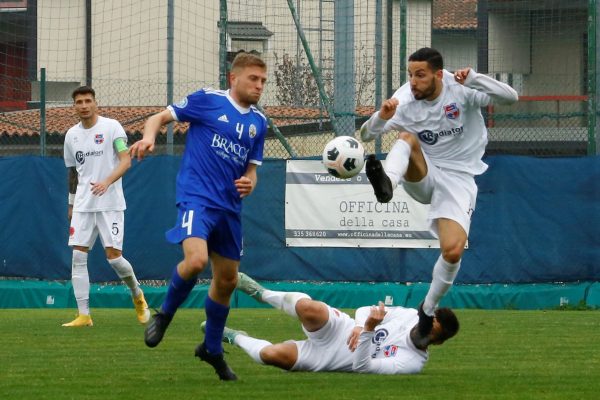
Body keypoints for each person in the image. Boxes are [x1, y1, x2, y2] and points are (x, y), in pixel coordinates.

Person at [360, 47, 518, 345]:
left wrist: (476, 79)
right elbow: (367, 134)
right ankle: (388, 183)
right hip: (424, 172)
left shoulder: (461, 89)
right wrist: (381, 117)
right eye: (410, 75)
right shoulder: (405, 99)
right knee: (407, 137)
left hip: (459, 178)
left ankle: (426, 311)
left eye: (420, 75)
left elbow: (511, 97)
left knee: (453, 251)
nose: (413, 81)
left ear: (438, 74)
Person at [128, 52, 268, 381]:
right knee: (195, 261)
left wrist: (251, 182)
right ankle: (164, 316)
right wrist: (149, 138)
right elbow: (159, 118)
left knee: (228, 280)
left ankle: (211, 348)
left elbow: (252, 169)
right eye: (253, 79)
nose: (259, 86)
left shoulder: (258, 123)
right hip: (197, 198)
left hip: (230, 208)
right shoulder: (208, 100)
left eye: (263, 81)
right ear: (234, 78)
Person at [202, 272, 459, 374]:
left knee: (270, 354)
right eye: (427, 325)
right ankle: (261, 293)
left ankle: (234, 336)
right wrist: (360, 325)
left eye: (431, 335)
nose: (423, 333)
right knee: (308, 308)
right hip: (342, 330)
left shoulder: (412, 363)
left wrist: (368, 330)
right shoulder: (409, 316)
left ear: (437, 342)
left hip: (331, 359)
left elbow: (362, 367)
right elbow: (364, 309)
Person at [63, 86, 150, 327]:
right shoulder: (71, 135)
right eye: (79, 102)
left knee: (113, 258)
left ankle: (137, 295)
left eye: (87, 101)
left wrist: (106, 182)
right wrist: (71, 204)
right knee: (78, 256)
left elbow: (126, 161)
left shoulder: (112, 128)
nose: (83, 105)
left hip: (109, 203)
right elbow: (73, 172)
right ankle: (84, 315)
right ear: (75, 106)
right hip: (82, 205)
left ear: (95, 103)